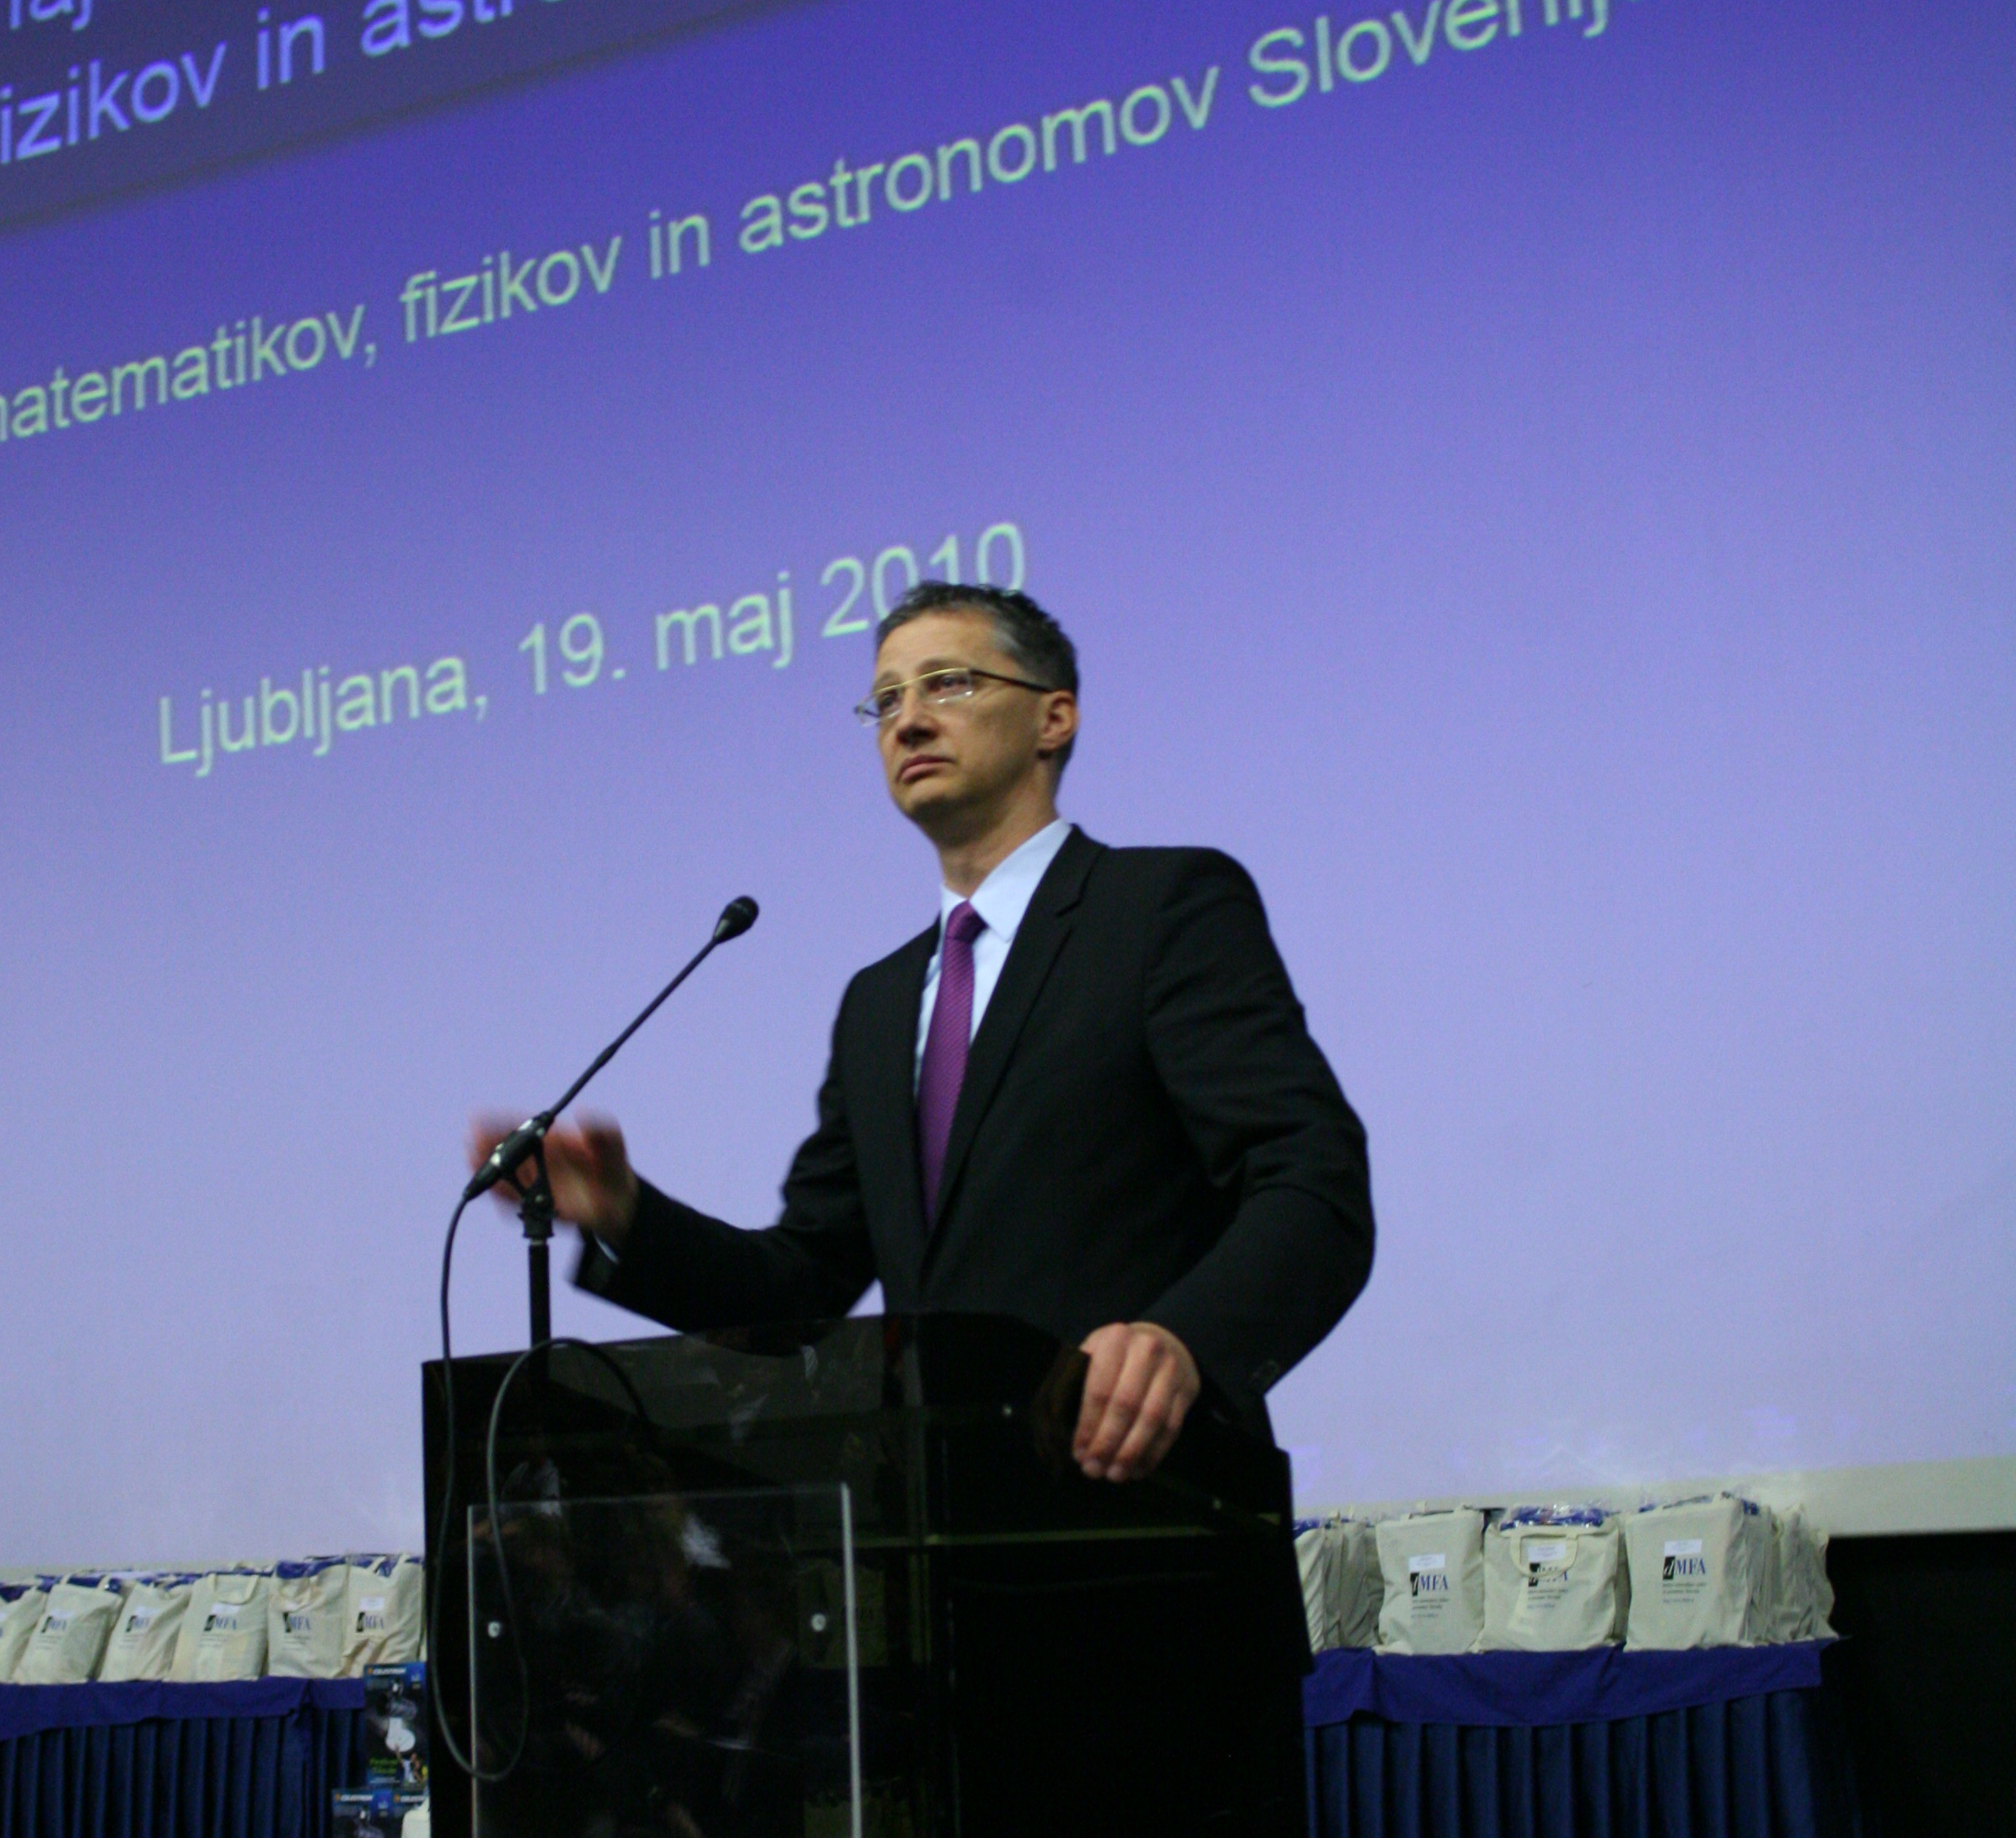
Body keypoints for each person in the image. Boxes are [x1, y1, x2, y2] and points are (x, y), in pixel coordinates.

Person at [472, 583, 1370, 1480]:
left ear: (1052, 718)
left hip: (1140, 1487)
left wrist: (1184, 1341)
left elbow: (1309, 1178)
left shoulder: (1161, 910)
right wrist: (628, 1215)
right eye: (886, 700)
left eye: (948, 683)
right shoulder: (879, 1003)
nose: (907, 722)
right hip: (941, 1518)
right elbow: (804, 1285)